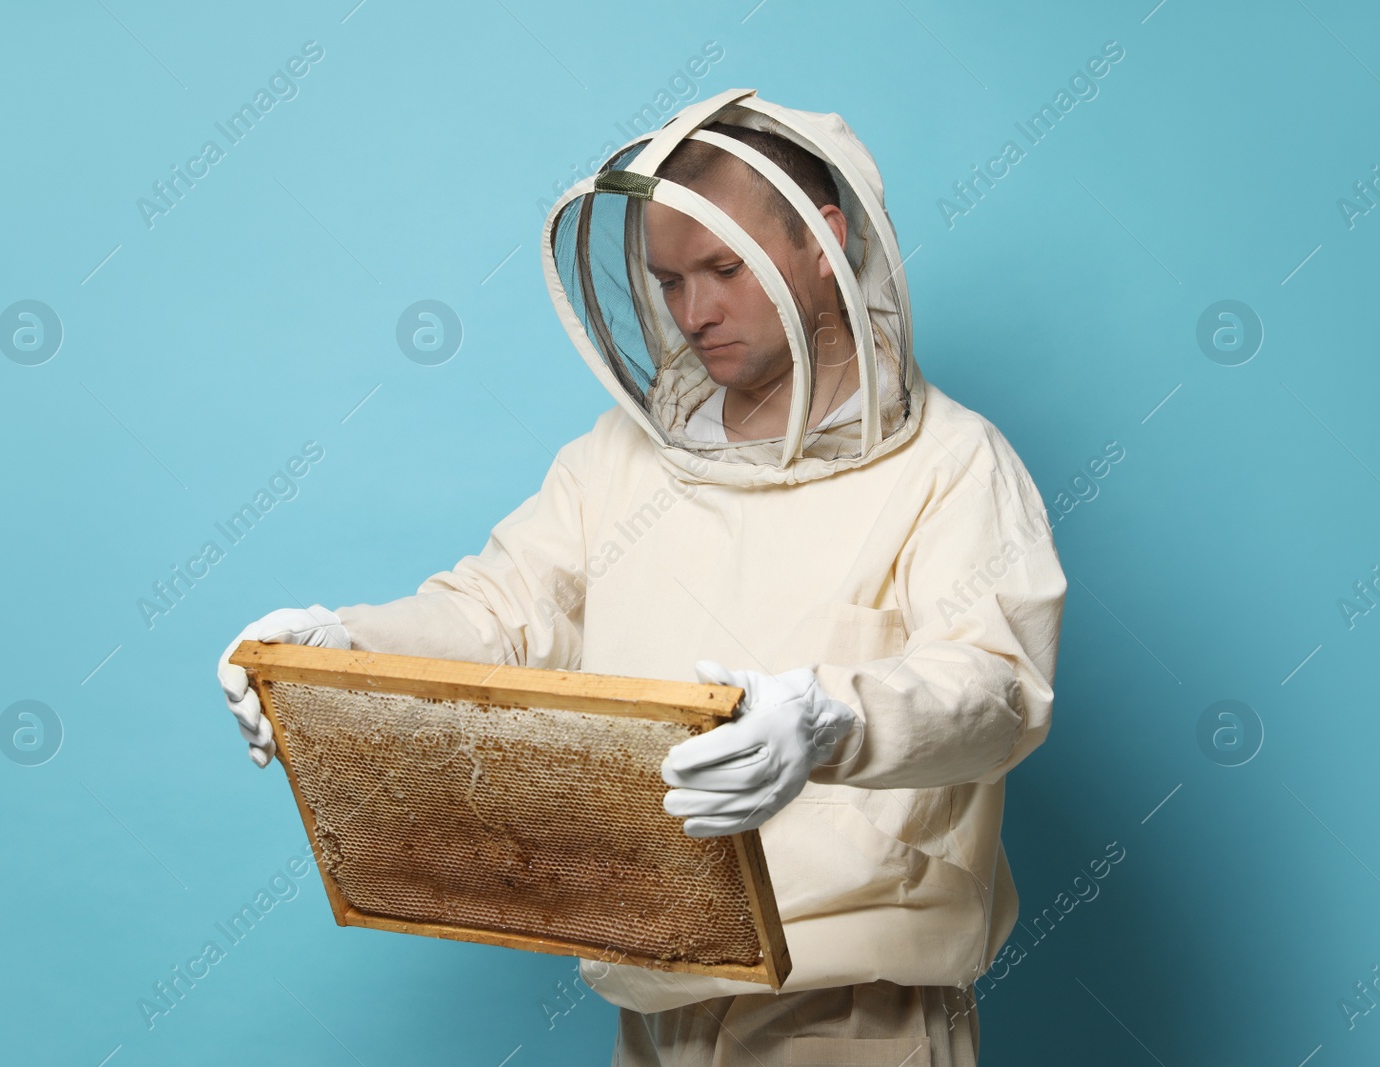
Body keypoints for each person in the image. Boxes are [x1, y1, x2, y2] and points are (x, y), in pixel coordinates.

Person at [217, 88, 1067, 1066]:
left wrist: (831, 717)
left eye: (722, 268)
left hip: (851, 1014)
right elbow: (500, 613)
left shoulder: (953, 465)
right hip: (650, 997)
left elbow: (996, 688)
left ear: (821, 246)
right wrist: (343, 643)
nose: (695, 311)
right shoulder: (618, 459)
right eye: (668, 279)